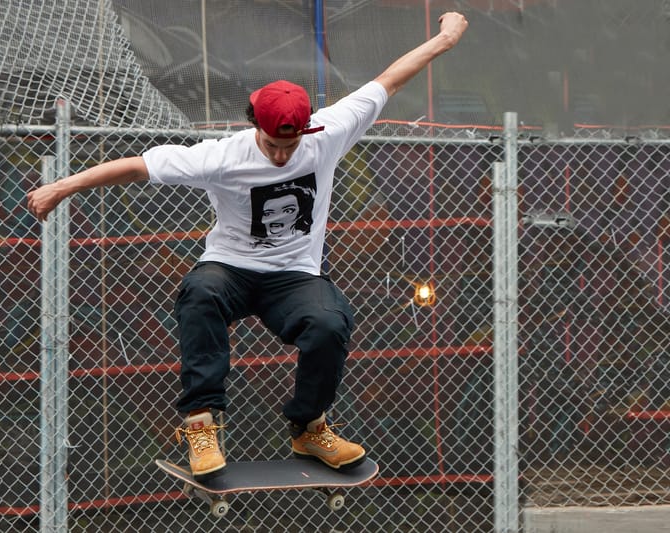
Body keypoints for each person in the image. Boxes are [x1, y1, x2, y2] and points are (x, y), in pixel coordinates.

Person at [27, 11, 468, 480]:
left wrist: (444, 38)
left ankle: (309, 427)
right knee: (201, 295)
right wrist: (61, 187)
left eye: (290, 147)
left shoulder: (331, 130)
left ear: (308, 129)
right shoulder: (222, 155)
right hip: (231, 267)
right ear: (253, 124)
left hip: (295, 274)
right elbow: (138, 166)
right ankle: (201, 424)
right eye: (270, 146)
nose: (280, 156)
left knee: (329, 323)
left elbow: (389, 80)